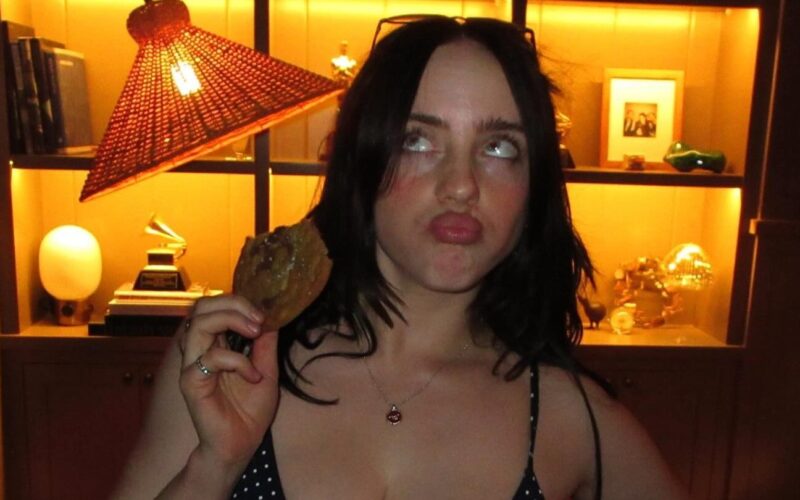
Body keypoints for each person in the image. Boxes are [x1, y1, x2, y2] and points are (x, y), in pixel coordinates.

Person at [112, 16, 686, 500]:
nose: (461, 185)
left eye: (498, 147)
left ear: (533, 185)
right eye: (418, 140)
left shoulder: (574, 418)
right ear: (360, 160)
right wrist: (213, 466)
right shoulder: (227, 363)